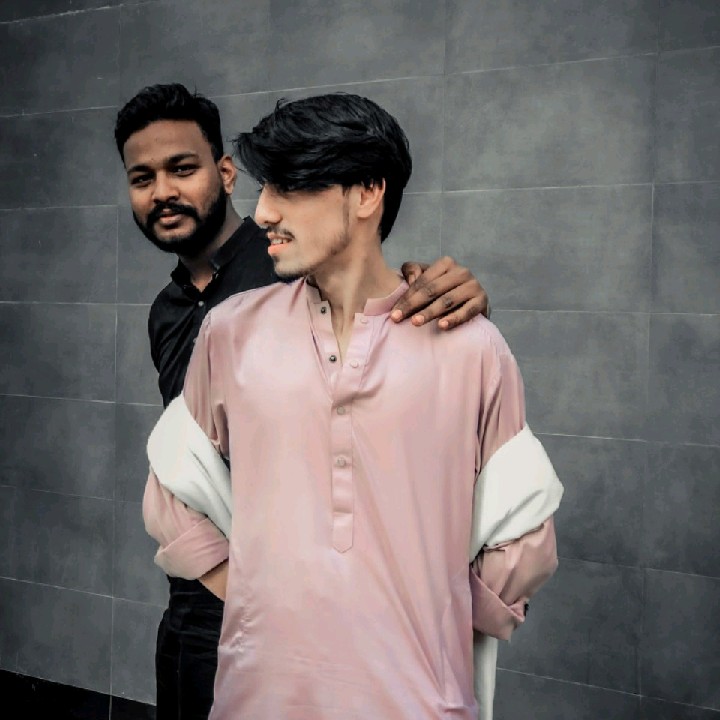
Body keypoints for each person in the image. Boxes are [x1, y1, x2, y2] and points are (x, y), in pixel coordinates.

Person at [142, 92, 563, 720]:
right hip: (259, 697)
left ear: (367, 193)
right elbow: (171, 489)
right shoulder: (230, 332)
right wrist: (257, 602)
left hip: (417, 702)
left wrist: (430, 621)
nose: (263, 212)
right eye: (264, 187)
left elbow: (524, 532)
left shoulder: (471, 347)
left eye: (288, 188)